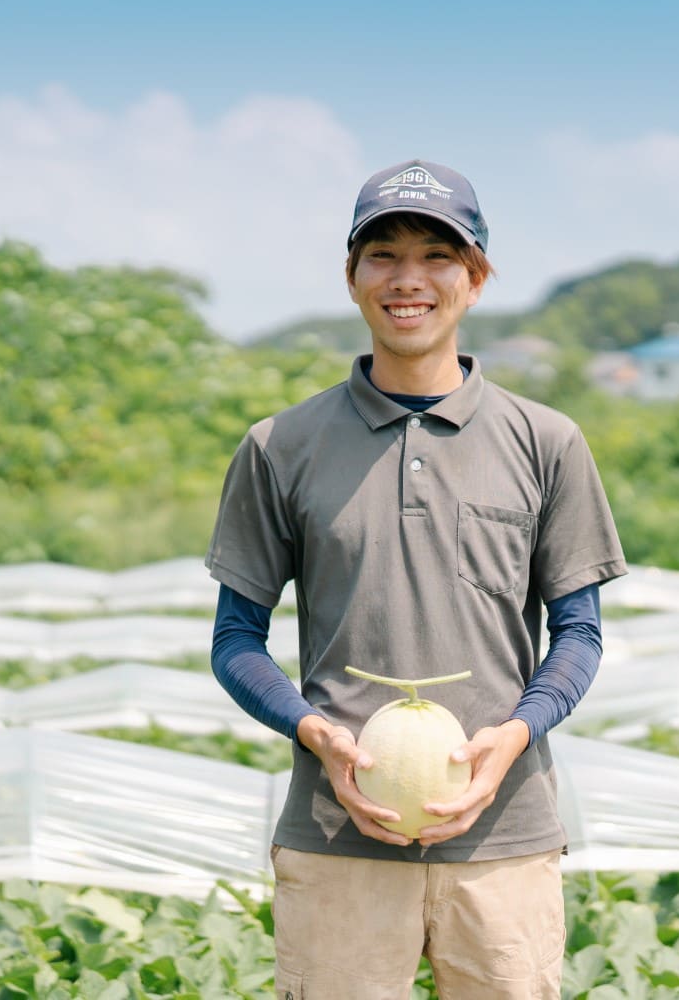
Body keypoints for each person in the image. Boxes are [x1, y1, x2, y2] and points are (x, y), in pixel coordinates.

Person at [206, 159, 626, 999]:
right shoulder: (279, 446)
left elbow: (577, 633)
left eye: (436, 255)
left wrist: (512, 736)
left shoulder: (546, 441)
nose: (408, 279)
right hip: (335, 838)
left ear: (474, 278)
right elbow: (234, 641)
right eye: (382, 254)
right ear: (353, 277)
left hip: (504, 837)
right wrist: (314, 733)